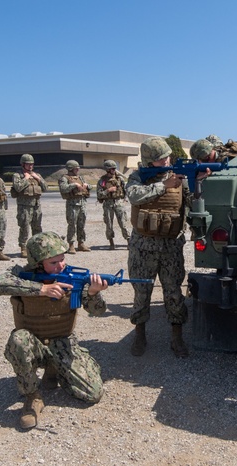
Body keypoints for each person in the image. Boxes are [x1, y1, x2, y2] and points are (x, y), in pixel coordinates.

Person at [0, 231, 108, 429]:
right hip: (32, 344)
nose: (60, 265)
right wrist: (41, 290)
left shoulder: (72, 277)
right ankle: (32, 397)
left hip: (62, 342)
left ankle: (56, 369)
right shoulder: (21, 274)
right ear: (37, 263)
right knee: (19, 339)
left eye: (61, 260)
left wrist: (95, 293)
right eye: (53, 263)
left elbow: (98, 311)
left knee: (93, 394)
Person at [125, 137, 192, 358]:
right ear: (148, 161)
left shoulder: (181, 178)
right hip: (142, 247)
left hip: (171, 247)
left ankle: (177, 337)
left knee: (173, 292)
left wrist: (198, 180)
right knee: (141, 292)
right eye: (160, 159)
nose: (166, 161)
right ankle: (140, 334)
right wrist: (164, 186)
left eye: (167, 157)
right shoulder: (137, 177)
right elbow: (134, 196)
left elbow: (193, 203)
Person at [12, 154, 47, 258]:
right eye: (28, 164)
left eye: (32, 164)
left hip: (36, 205)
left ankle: (37, 247)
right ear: (23, 164)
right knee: (24, 227)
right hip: (24, 206)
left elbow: (45, 188)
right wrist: (26, 179)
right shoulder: (18, 176)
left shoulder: (37, 175)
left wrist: (38, 179)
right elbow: (18, 188)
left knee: (37, 227)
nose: (31, 166)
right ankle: (23, 248)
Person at [95, 159, 130, 249]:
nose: (114, 170)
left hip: (119, 202)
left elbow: (126, 190)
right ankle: (111, 242)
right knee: (109, 224)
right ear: (107, 169)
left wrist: (125, 199)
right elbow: (99, 194)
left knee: (123, 223)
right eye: (112, 169)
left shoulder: (119, 178)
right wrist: (108, 191)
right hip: (108, 204)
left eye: (114, 168)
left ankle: (129, 240)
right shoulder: (102, 181)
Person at [58, 160, 91, 254]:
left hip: (82, 203)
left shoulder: (80, 178)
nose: (78, 170)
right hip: (72, 204)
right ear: (70, 169)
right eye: (76, 168)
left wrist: (86, 185)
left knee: (81, 224)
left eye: (78, 168)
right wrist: (74, 185)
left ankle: (81, 243)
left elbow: (90, 187)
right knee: (72, 224)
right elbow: (63, 188)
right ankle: (71, 245)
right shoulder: (64, 178)